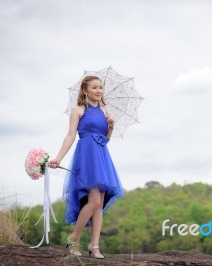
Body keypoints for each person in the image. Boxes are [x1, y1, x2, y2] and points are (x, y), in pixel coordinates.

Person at [48, 75, 124, 259]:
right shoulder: (78, 110)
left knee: (99, 203)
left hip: (101, 155)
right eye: (94, 87)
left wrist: (111, 126)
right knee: (94, 201)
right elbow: (70, 136)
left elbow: (105, 140)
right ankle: (74, 238)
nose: (99, 91)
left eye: (100, 88)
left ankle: (94, 245)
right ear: (84, 90)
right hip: (87, 156)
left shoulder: (105, 112)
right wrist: (58, 158)